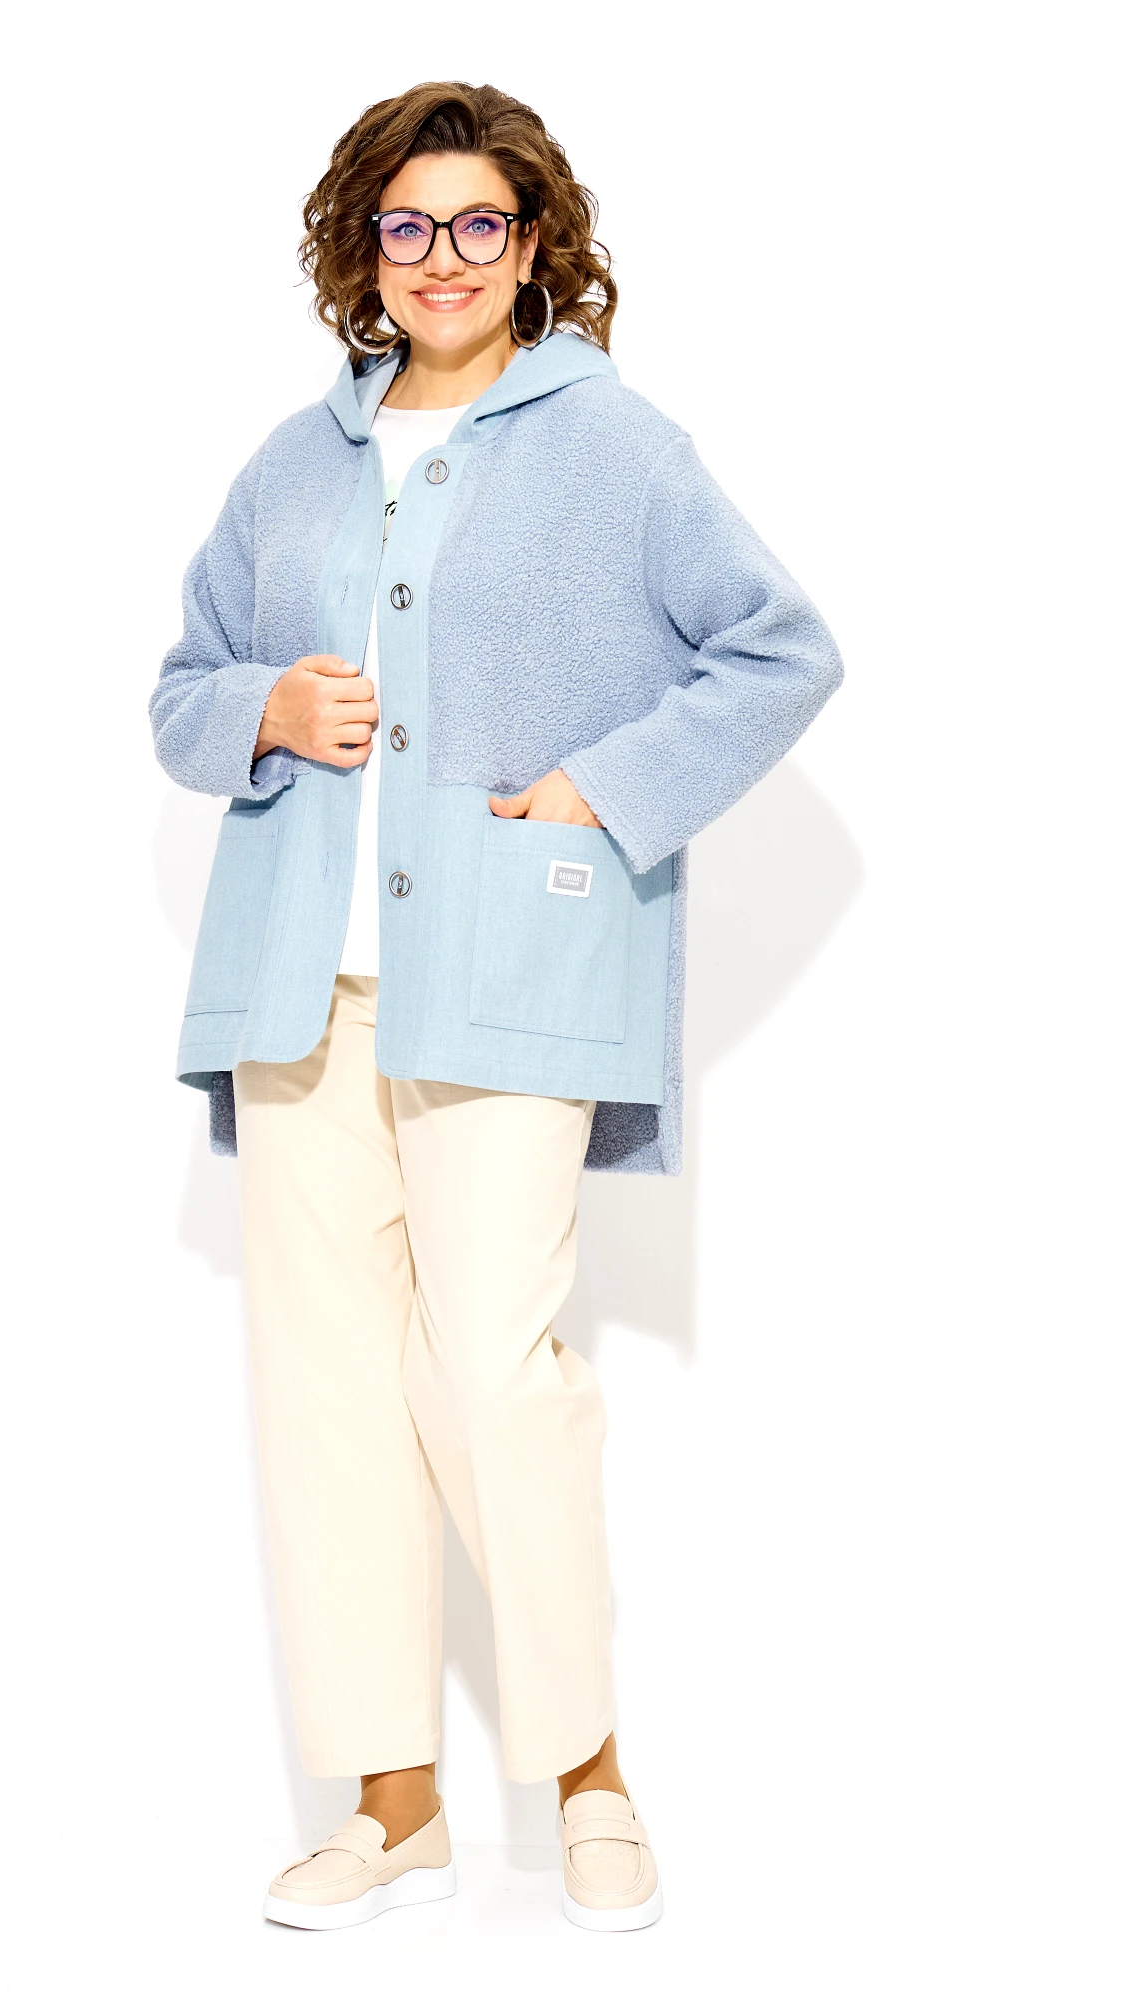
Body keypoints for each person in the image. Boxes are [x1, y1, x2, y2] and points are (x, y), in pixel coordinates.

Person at [149, 79, 842, 1933]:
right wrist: (261, 711)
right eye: (407, 224)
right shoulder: (292, 462)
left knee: (494, 1374)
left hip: (508, 968)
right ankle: (392, 1807)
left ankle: (588, 1777)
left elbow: (779, 649)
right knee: (323, 1393)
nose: (440, 257)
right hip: (302, 985)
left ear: (534, 245)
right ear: (362, 248)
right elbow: (182, 686)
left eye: (478, 223)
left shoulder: (615, 448)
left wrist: (601, 791)